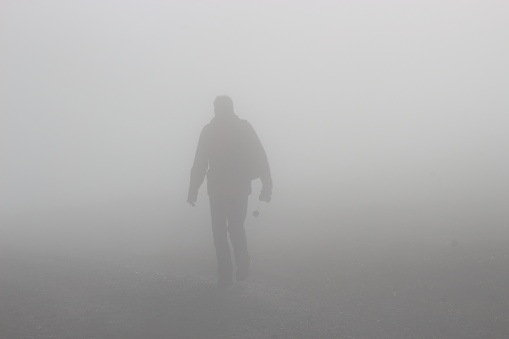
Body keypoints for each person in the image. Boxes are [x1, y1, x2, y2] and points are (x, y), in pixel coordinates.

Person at [187, 95, 272, 286]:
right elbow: (261, 156)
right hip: (235, 188)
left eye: (219, 108)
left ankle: (228, 273)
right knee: (233, 229)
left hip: (222, 189)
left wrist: (193, 189)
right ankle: (237, 266)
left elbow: (199, 162)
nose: (218, 111)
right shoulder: (242, 128)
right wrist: (267, 185)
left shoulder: (210, 131)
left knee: (223, 231)